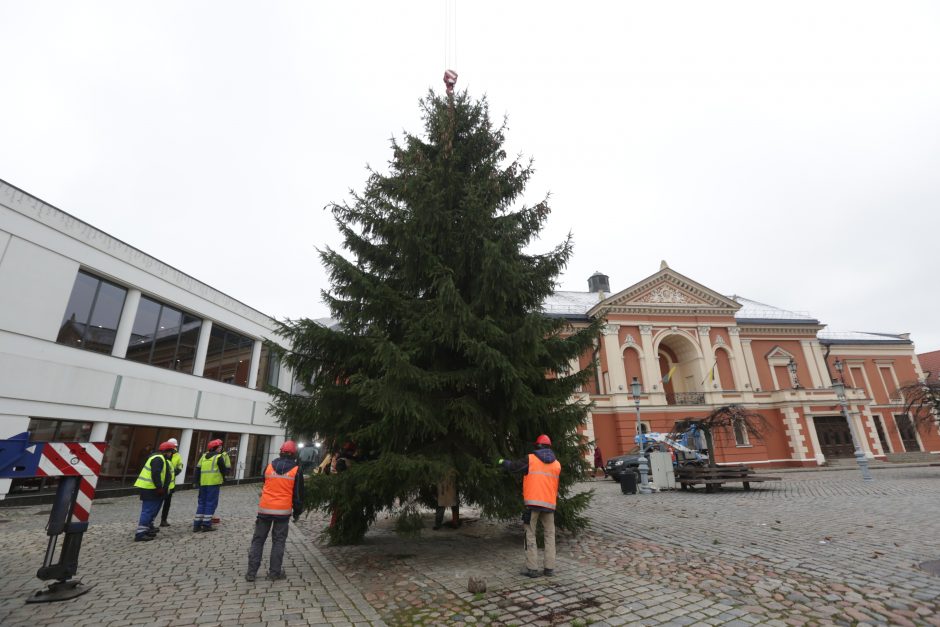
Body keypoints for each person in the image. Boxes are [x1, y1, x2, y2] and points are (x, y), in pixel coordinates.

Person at [499, 434, 561, 578]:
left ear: (537, 446)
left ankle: (532, 568)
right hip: (549, 505)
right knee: (550, 535)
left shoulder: (531, 459)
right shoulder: (557, 464)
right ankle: (549, 568)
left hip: (533, 504)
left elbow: (513, 467)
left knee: (530, 533)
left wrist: (502, 461)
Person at [246, 440, 305, 582]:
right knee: (278, 542)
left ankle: (251, 573)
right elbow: (298, 495)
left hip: (264, 510)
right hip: (282, 512)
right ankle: (274, 573)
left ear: (280, 451)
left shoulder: (269, 466)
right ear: (294, 453)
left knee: (258, 541)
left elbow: (265, 483)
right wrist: (297, 512)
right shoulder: (296, 470)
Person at [133, 441, 176, 541]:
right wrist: (159, 487)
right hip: (150, 489)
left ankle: (146, 529)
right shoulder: (158, 459)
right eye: (171, 452)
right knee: (148, 511)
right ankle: (140, 534)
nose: (171, 454)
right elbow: (156, 474)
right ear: (166, 451)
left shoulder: (161, 458)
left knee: (152, 511)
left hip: (153, 489)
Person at [192, 438, 230, 532]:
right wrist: (224, 478)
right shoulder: (218, 457)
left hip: (203, 483)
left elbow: (197, 469)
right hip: (213, 483)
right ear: (215, 448)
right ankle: (206, 524)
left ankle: (197, 525)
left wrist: (195, 481)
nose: (220, 448)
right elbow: (224, 470)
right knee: (210, 503)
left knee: (201, 503)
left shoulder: (204, 456)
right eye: (219, 447)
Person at [159, 437, 184, 527]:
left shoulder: (177, 455)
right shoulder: (162, 454)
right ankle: (151, 521)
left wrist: (173, 473)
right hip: (161, 483)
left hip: (170, 484)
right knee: (157, 503)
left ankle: (163, 520)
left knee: (167, 503)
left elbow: (180, 466)